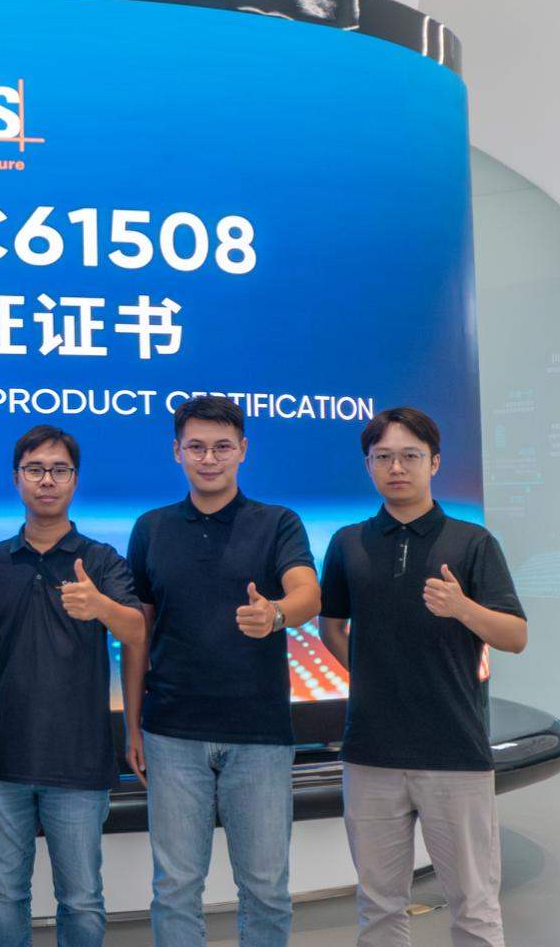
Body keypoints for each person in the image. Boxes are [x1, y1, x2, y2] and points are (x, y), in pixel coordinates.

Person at [318, 407, 527, 947]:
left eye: (410, 455)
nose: (396, 467)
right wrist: (372, 673)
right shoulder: (347, 543)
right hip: (370, 753)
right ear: (368, 465)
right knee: (379, 907)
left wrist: (462, 608)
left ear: (434, 462)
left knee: (474, 907)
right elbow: (331, 626)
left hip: (454, 750)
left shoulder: (472, 542)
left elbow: (514, 636)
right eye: (383, 457)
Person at [122, 394, 320, 947]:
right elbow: (139, 633)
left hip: (259, 734)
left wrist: (275, 614)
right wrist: (133, 725)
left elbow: (308, 593)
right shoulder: (151, 528)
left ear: (243, 450)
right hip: (171, 733)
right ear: (177, 452)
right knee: (175, 889)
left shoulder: (277, 523)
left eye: (221, 447)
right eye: (197, 447)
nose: (209, 459)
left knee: (265, 888)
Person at [0, 425, 146, 947]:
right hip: (1, 756)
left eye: (59, 470)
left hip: (78, 759)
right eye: (35, 470)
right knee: (3, 893)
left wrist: (100, 605)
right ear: (16, 479)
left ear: (75, 480)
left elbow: (136, 631)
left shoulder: (101, 560)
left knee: (81, 899)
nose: (47, 480)